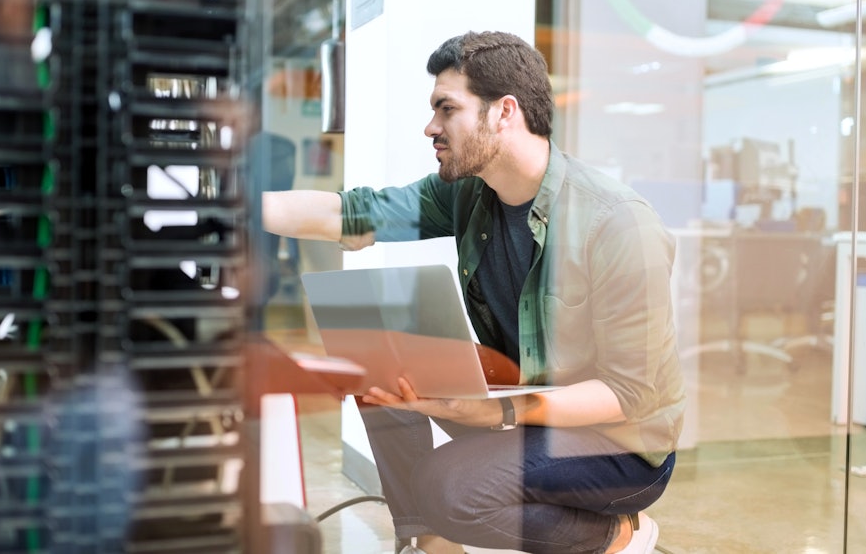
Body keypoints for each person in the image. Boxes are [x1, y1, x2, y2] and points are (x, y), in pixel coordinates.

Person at [262, 30, 684, 554]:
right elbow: (348, 213)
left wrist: (495, 413)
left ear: (503, 112)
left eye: (446, 109)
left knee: (451, 488)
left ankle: (617, 534)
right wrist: (225, 209)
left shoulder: (617, 224)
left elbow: (628, 395)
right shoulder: (469, 192)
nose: (430, 127)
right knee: (382, 360)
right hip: (527, 401)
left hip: (621, 446)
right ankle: (431, 542)